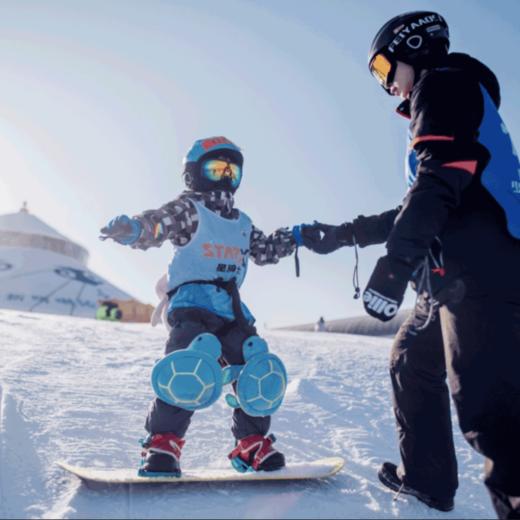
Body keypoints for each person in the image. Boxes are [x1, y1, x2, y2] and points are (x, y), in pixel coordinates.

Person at [297, 11, 520, 518]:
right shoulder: (456, 100)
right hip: (454, 275)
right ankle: (428, 480)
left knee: (491, 412)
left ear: (413, 48)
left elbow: (441, 179)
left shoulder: (443, 86)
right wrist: (343, 235)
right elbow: (419, 202)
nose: (386, 85)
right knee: (411, 361)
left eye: (382, 68)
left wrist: (394, 267)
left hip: (482, 270)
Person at [101, 136, 297, 476]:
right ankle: (162, 443)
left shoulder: (242, 223)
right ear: (194, 174)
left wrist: (295, 237)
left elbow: (264, 250)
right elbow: (158, 223)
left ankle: (251, 443)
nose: (223, 178)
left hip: (232, 309)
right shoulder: (189, 210)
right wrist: (134, 229)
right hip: (192, 304)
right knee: (190, 366)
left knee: (255, 368)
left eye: (231, 171)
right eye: (215, 169)